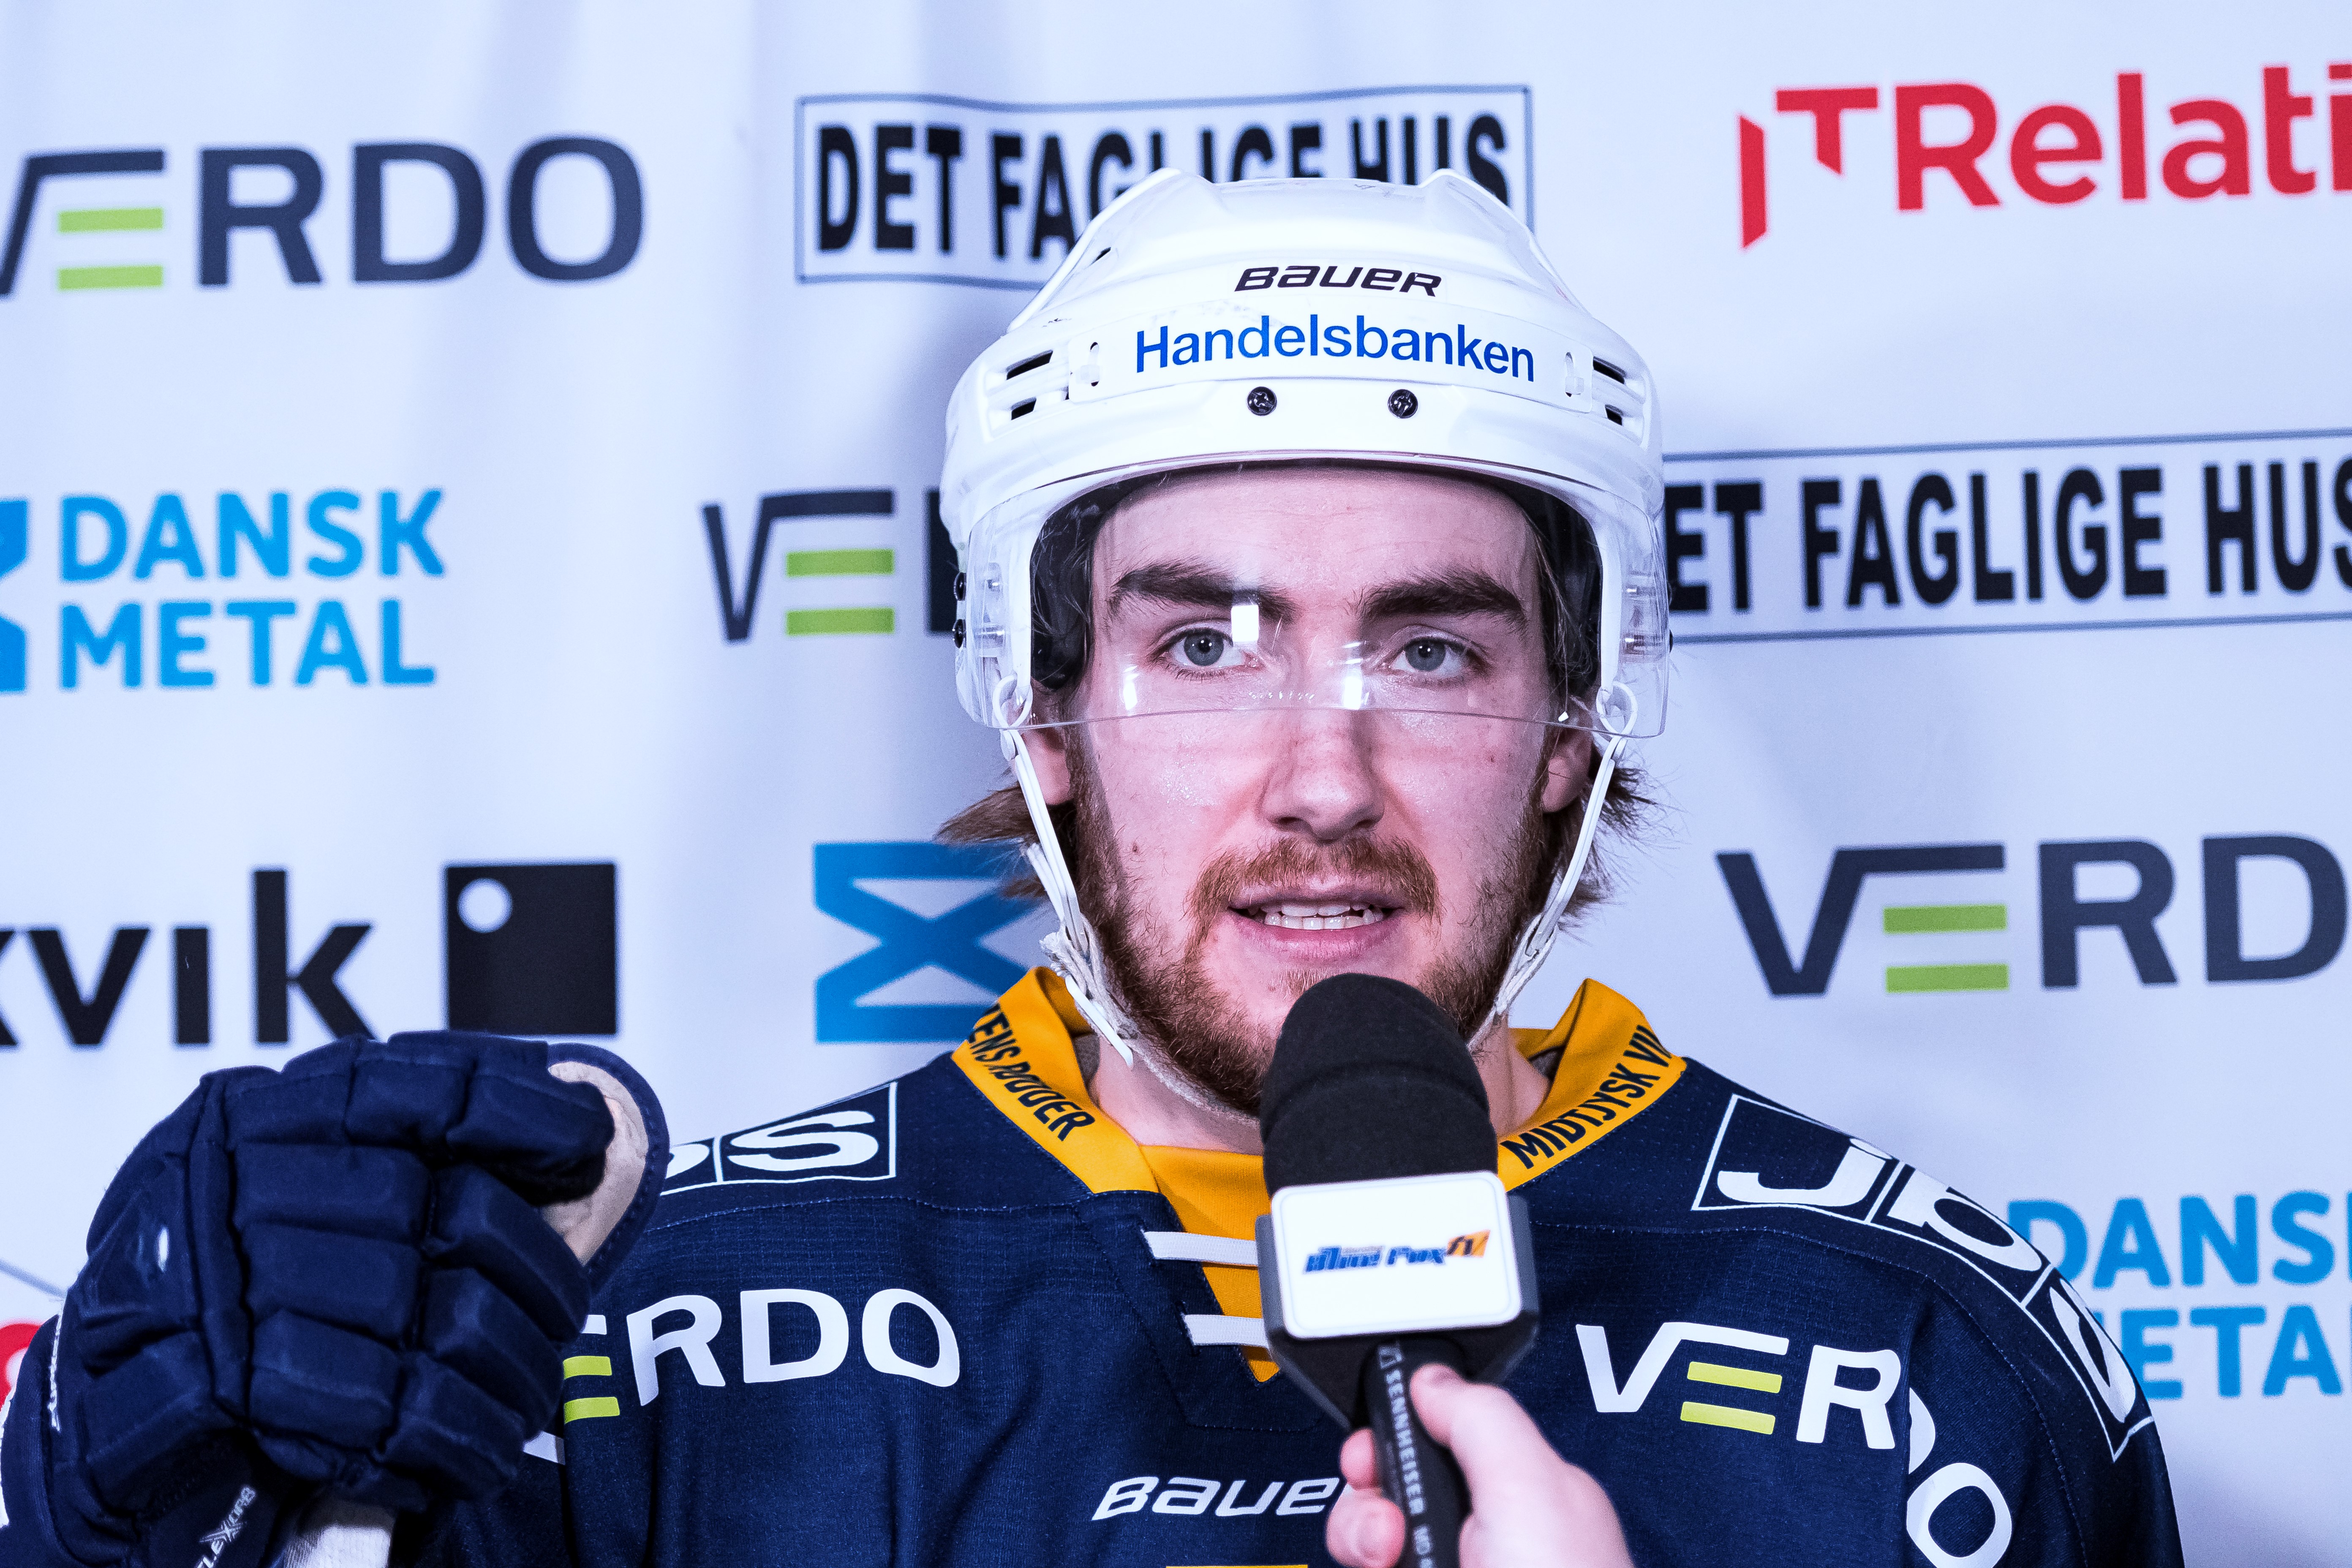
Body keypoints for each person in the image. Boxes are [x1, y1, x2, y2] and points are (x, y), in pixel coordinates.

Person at [0, 172, 2182, 1568]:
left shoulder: (1926, 1338)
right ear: (1039, 718)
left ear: (1571, 730)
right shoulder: (651, 1328)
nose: (1322, 778)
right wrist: (124, 1525)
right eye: (1201, 645)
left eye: (1433, 649)